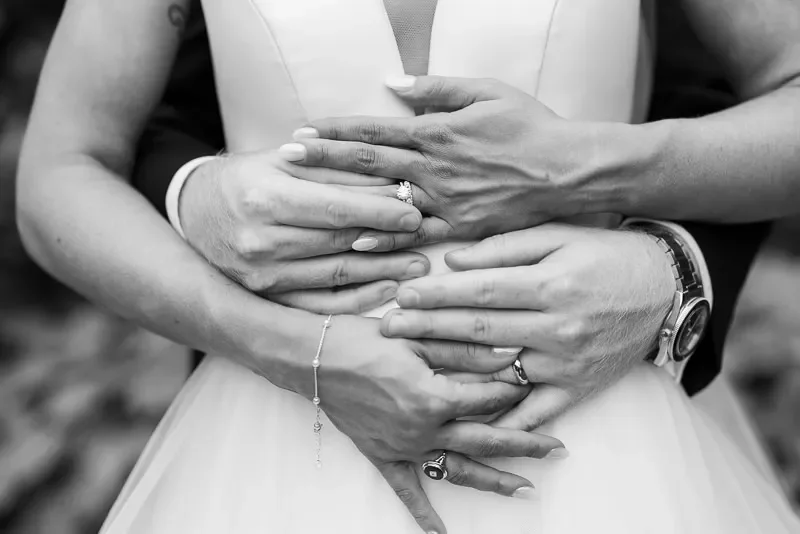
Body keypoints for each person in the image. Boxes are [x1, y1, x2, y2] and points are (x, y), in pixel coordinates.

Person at [14, 1, 800, 534]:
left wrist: (592, 168)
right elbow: (61, 171)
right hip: (280, 431)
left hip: (602, 420)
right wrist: (294, 352)